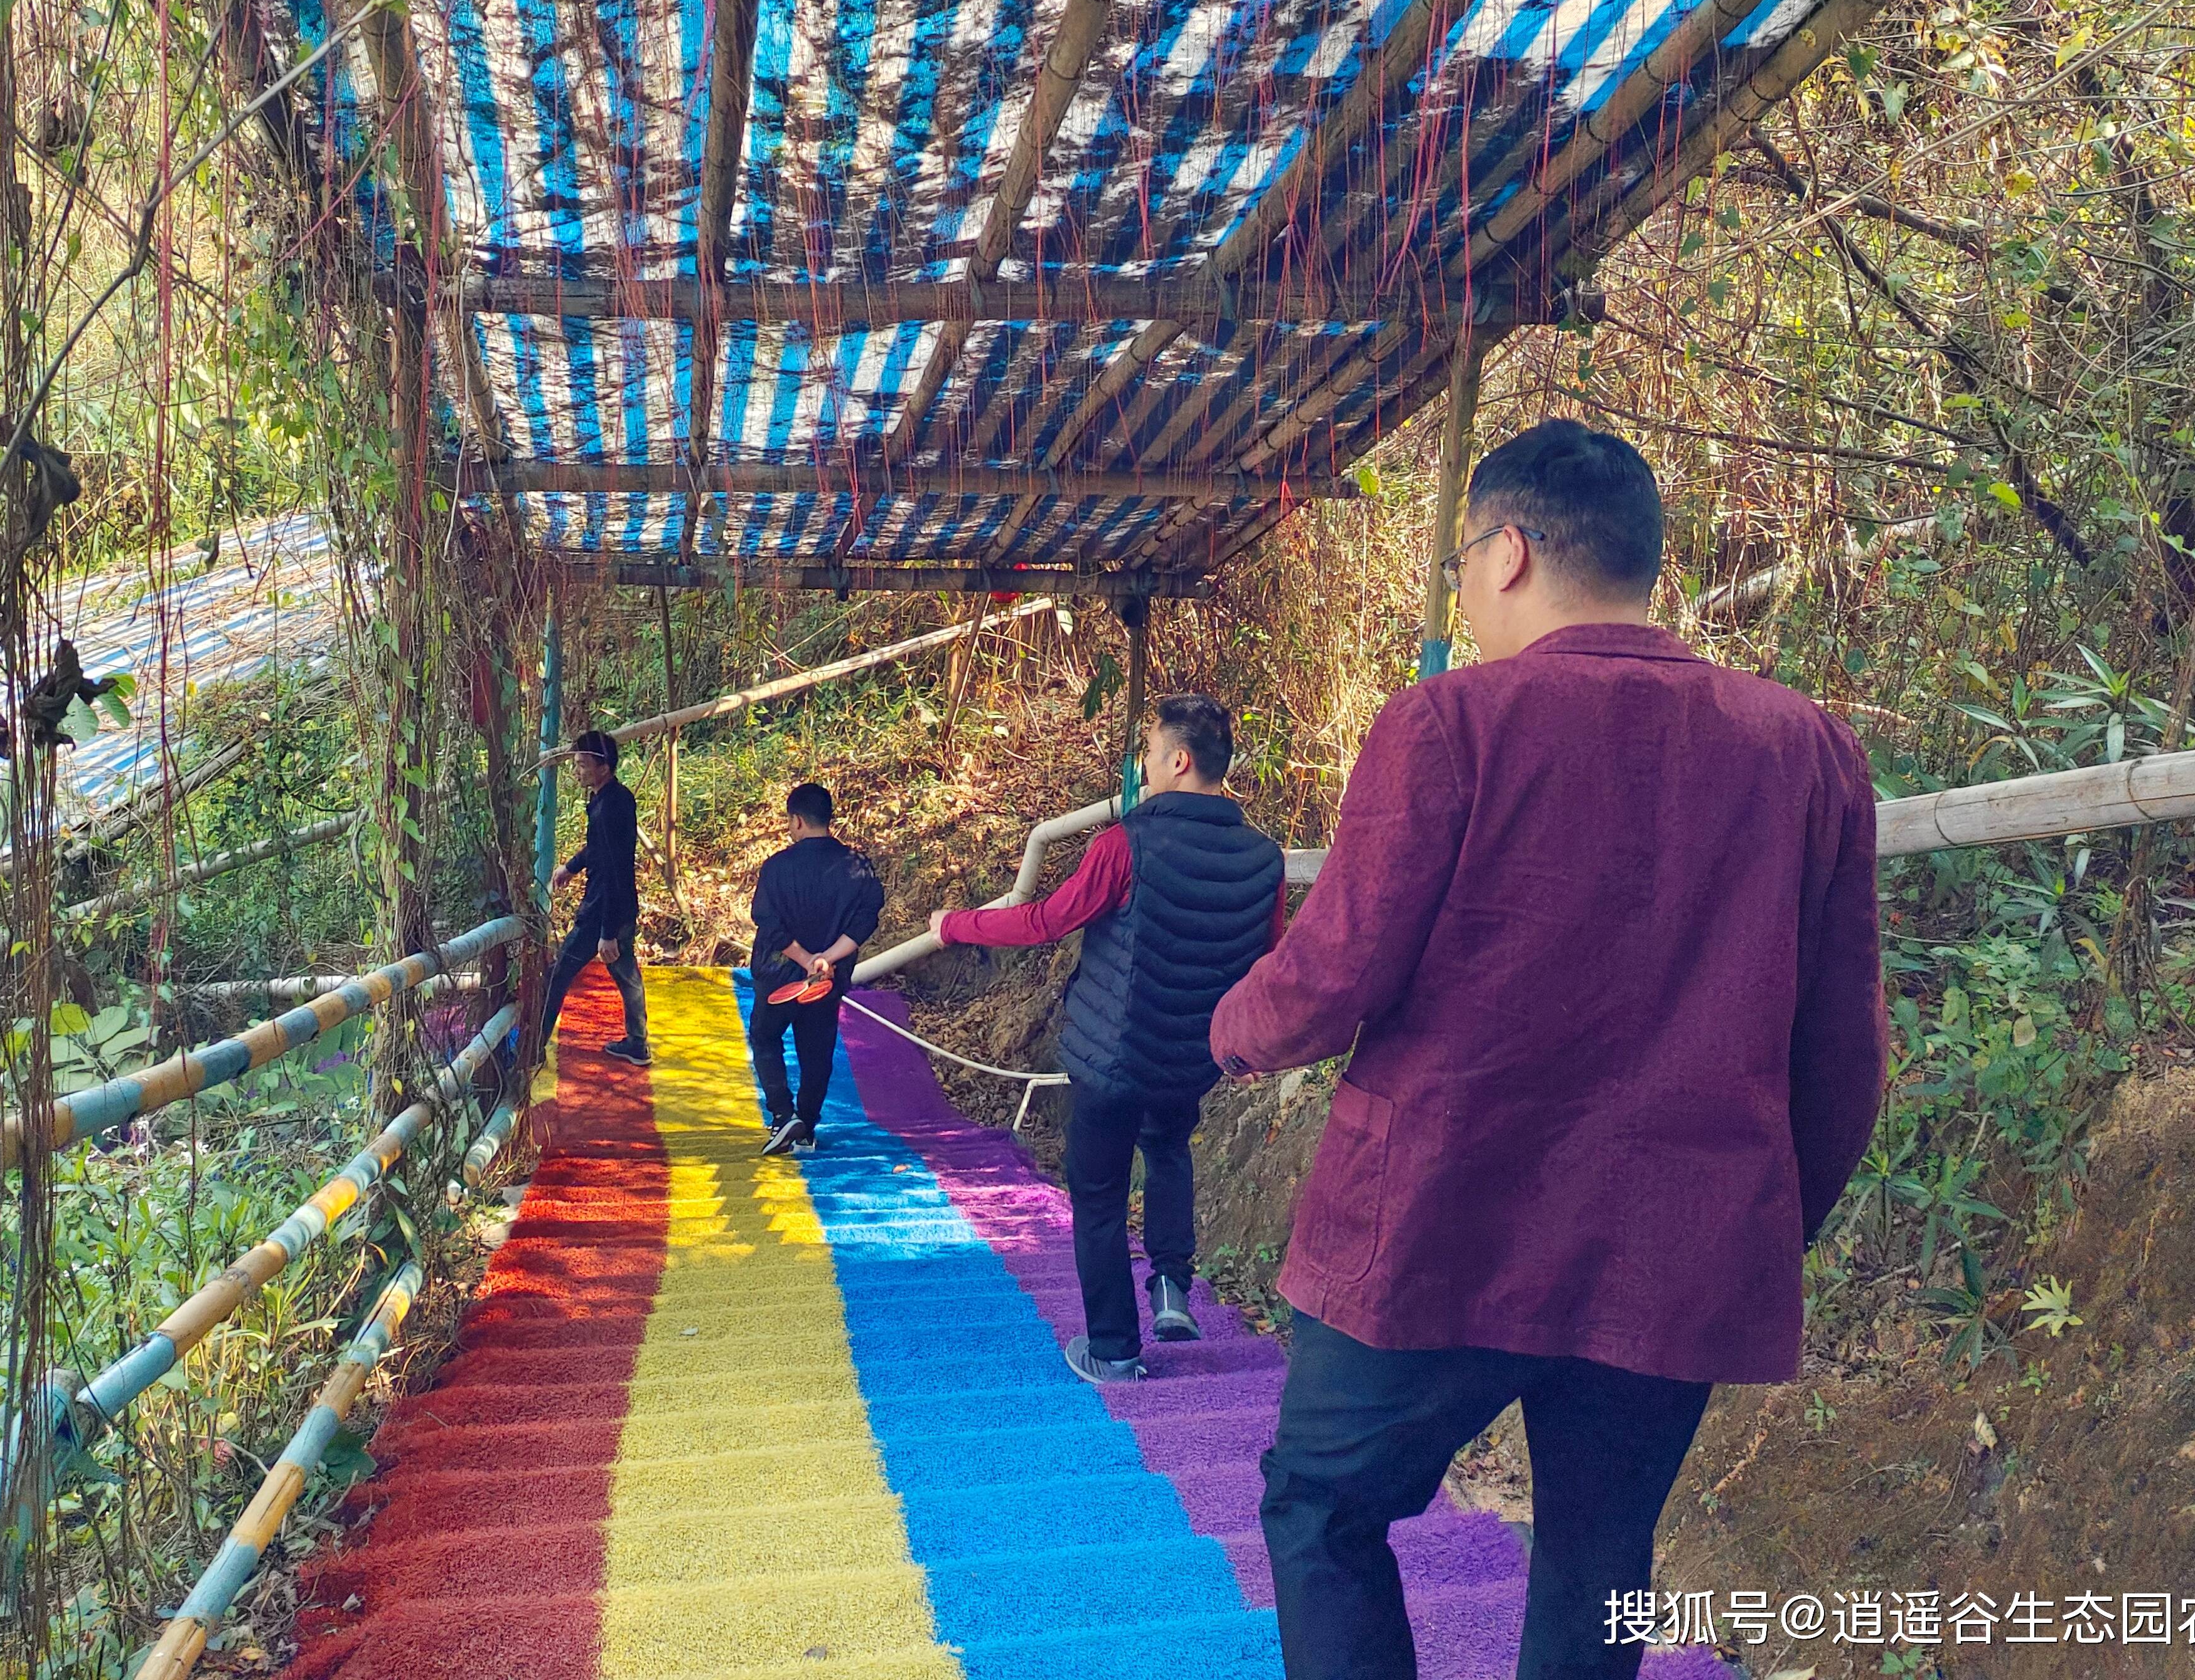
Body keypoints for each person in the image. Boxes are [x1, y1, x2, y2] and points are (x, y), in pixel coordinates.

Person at [1208, 419, 1884, 1680]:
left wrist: (1231, 1029)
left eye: (1464, 561)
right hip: (1676, 1242)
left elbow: (1330, 977)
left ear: (1508, 550)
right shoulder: (1805, 746)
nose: (1463, 590)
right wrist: (1754, 1227)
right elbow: (1844, 1057)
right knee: (1599, 1555)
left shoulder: (1450, 725)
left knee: (1322, 1504)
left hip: (1439, 1229)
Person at [932, 693, 1284, 1384]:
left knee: (1097, 1197)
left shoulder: (1125, 845)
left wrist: (955, 924)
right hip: (1193, 1057)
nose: (1144, 769)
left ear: (1179, 761)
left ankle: (1117, 1352)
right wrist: (1249, 1048)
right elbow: (1267, 965)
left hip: (1113, 1059)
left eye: (1150, 754)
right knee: (1169, 1147)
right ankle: (1173, 1289)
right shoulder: (1264, 860)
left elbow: (1044, 922)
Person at [745, 781, 887, 1157]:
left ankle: (782, 1114)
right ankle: (806, 1127)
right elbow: (865, 921)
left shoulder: (776, 868)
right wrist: (826, 958)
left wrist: (804, 958)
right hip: (828, 978)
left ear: (797, 821)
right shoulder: (858, 867)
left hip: (778, 975)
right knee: (817, 1050)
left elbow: (768, 923)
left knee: (765, 1037)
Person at [540, 730, 648, 1066]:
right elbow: (600, 849)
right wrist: (571, 867)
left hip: (604, 908)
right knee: (626, 973)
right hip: (618, 906)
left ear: (603, 767)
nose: (577, 771)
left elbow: (615, 869)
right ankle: (638, 1042)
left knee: (560, 974)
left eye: (583, 764)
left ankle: (532, 1048)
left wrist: (606, 931)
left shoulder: (609, 808)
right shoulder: (612, 799)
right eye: (576, 764)